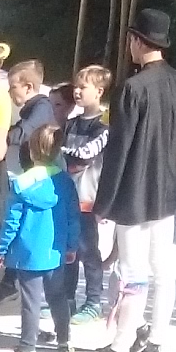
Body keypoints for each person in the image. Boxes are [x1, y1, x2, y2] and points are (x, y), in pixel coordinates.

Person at [81, 9, 176, 352]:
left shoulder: (133, 88)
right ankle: (155, 342)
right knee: (163, 270)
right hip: (165, 190)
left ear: (137, 41)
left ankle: (119, 347)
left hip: (133, 192)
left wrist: (104, 201)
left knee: (131, 271)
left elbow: (119, 150)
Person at [0, 124, 79, 352]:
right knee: (58, 297)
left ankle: (27, 349)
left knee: (30, 302)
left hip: (27, 253)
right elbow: (73, 216)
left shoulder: (21, 183)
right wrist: (72, 245)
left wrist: (2, 248)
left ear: (31, 151)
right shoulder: (65, 182)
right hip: (56, 251)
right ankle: (65, 343)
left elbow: (12, 220)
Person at [61, 64, 112, 321]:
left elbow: (86, 155)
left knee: (88, 250)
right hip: (67, 198)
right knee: (69, 249)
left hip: (88, 198)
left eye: (83, 87)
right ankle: (66, 299)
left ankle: (93, 301)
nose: (77, 91)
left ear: (99, 91)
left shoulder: (104, 126)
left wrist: (62, 153)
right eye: (76, 86)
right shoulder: (70, 124)